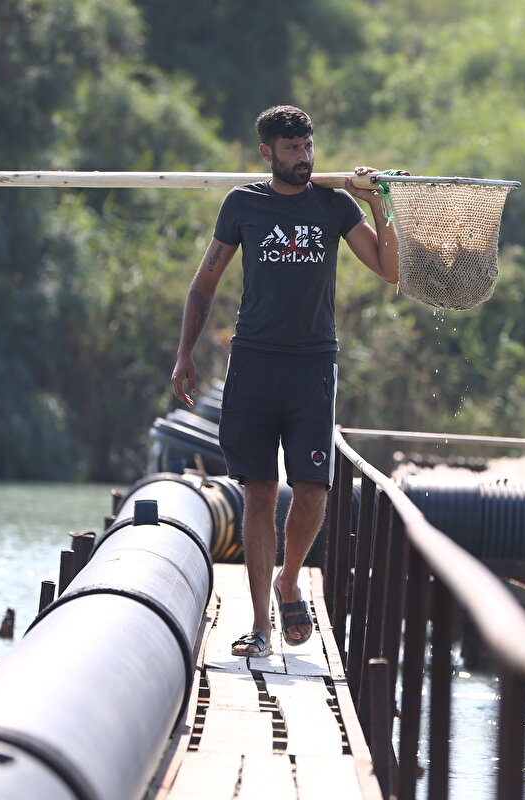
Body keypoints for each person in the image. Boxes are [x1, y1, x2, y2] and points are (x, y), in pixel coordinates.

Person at [171, 105, 398, 657]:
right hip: (252, 362)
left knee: (313, 488)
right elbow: (203, 286)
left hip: (313, 364)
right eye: (292, 149)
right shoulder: (243, 204)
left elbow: (390, 270)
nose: (304, 157)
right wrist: (184, 357)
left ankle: (289, 578)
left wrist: (379, 203)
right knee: (259, 489)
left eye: (308, 146)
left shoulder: (334, 204)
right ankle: (260, 626)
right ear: (267, 152)